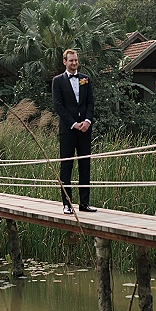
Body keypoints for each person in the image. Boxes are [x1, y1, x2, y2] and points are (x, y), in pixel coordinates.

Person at [52, 49, 97, 214]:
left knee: (85, 166)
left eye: (76, 60)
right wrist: (73, 124)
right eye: (71, 60)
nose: (74, 63)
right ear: (64, 62)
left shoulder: (86, 79)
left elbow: (90, 102)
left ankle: (84, 203)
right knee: (66, 167)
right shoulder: (58, 81)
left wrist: (87, 121)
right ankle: (67, 204)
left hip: (85, 130)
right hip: (68, 130)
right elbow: (58, 105)